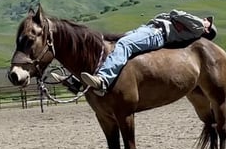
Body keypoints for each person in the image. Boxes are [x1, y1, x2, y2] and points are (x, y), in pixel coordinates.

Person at [54, 10, 216, 95]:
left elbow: (176, 13)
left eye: (208, 21)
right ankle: (77, 81)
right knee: (113, 45)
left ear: (207, 29)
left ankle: (103, 80)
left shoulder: (198, 26)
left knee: (124, 44)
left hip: (156, 33)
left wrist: (201, 22)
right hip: (150, 30)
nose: (205, 18)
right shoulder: (193, 29)